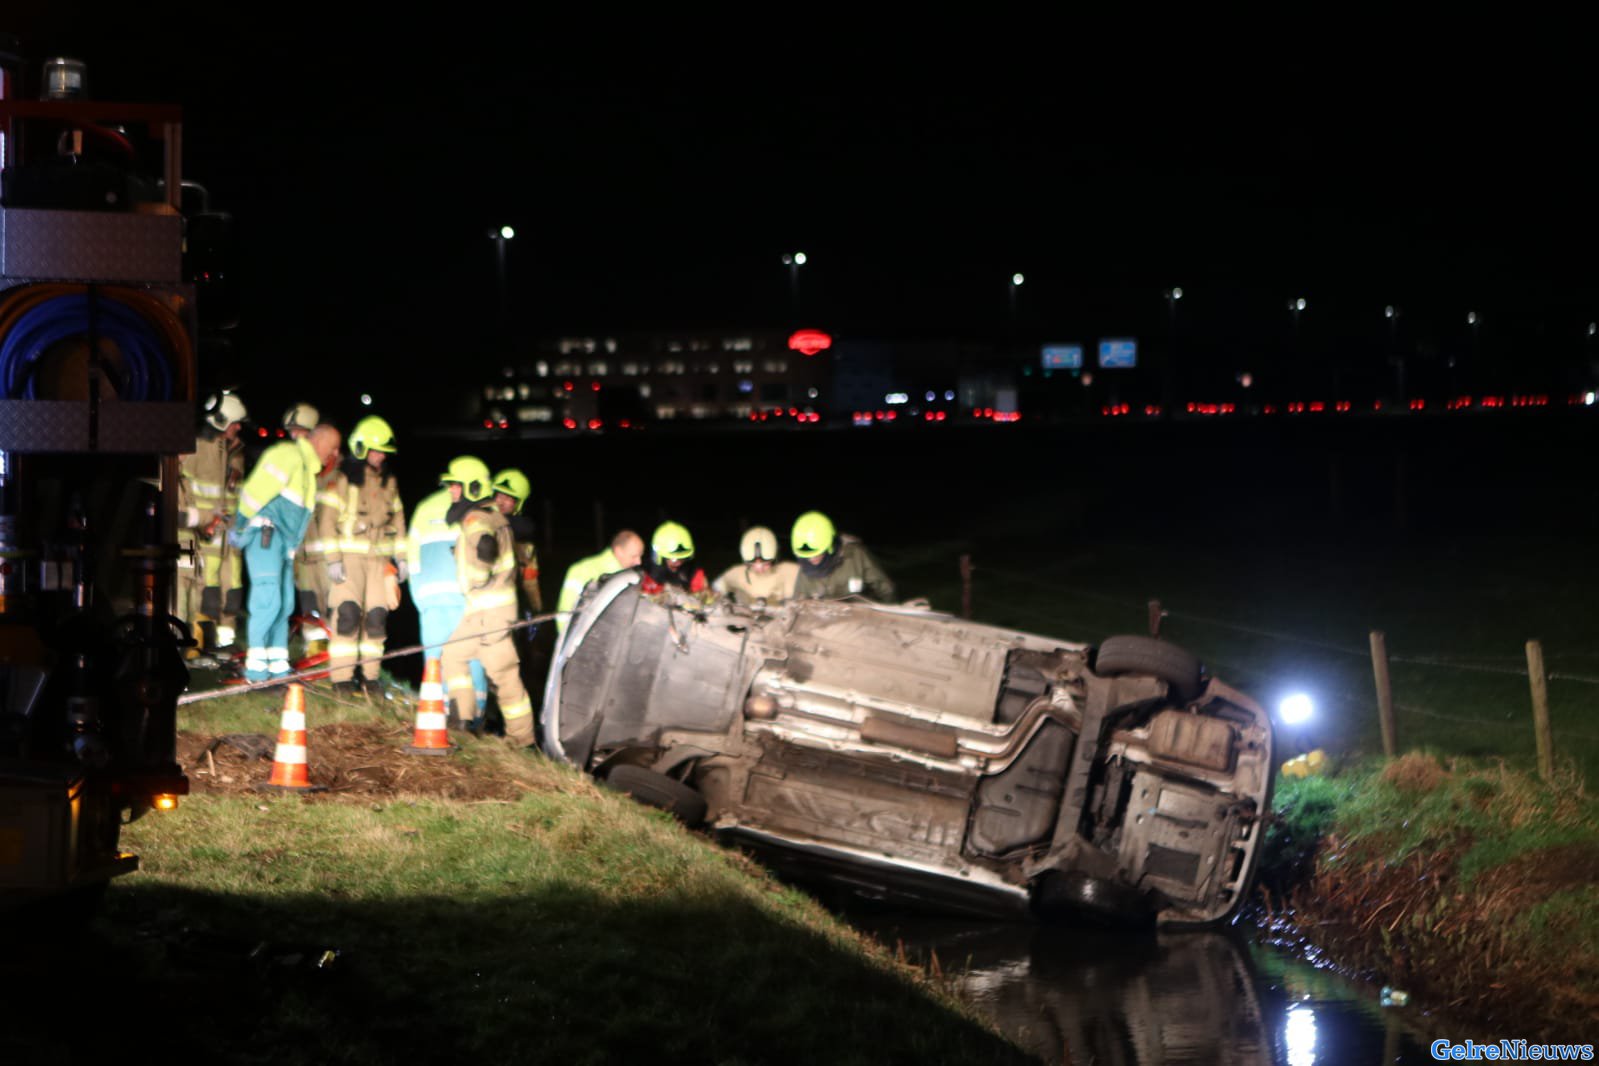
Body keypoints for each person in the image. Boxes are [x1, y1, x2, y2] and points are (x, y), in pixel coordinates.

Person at [231, 423, 341, 682]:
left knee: (284, 604)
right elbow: (254, 492)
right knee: (268, 601)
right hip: (266, 537)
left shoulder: (306, 469)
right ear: (320, 442)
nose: (335, 454)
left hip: (281, 545)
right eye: (333, 447)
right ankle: (257, 671)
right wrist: (240, 524)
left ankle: (278, 668)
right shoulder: (288, 456)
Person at [441, 477, 534, 745]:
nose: (451, 491)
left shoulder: (477, 518)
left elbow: (485, 547)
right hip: (485, 610)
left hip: (489, 612)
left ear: (471, 488)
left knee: (502, 675)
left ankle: (521, 739)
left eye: (456, 486)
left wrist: (479, 576)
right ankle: (462, 719)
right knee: (453, 655)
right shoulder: (492, 517)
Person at [319, 415, 406, 695]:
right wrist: (333, 560)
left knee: (377, 618)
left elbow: (399, 520)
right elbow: (327, 522)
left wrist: (402, 557)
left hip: (379, 561)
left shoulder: (389, 482)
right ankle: (342, 679)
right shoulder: (342, 480)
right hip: (349, 559)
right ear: (360, 449)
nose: (381, 456)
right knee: (348, 614)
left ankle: (371, 677)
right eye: (376, 451)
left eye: (384, 452)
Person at [408, 456, 491, 715]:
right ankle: (472, 714)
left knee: (436, 659)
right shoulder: (483, 513)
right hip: (466, 601)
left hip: (432, 603)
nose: (452, 490)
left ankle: (441, 713)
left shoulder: (424, 508)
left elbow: (412, 561)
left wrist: (420, 600)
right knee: (471, 659)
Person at [177, 390, 248, 658]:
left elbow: (234, 494)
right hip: (197, 534)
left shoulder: (232, 451)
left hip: (225, 536)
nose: (238, 428)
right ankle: (195, 645)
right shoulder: (196, 447)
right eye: (235, 423)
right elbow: (182, 488)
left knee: (228, 592)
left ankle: (221, 642)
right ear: (221, 420)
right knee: (198, 591)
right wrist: (203, 520)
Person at [790, 510, 896, 601]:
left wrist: (889, 610)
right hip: (825, 617)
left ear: (830, 545)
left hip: (860, 613)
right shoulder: (805, 570)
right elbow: (797, 603)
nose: (811, 558)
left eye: (816, 553)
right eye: (805, 555)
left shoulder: (855, 556)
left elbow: (885, 589)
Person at [556, 529, 644, 635]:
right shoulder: (581, 571)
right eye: (634, 556)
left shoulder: (632, 577)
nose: (639, 562)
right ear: (619, 552)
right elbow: (564, 616)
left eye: (640, 556)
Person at [713, 525, 799, 607]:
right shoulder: (738, 573)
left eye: (765, 563)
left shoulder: (789, 570)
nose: (759, 567)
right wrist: (715, 594)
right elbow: (718, 586)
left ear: (774, 558)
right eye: (753, 563)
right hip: (749, 615)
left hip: (783, 615)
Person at [640, 520, 707, 595]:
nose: (679, 563)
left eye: (683, 558)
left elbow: (700, 594)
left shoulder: (693, 571)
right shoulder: (652, 572)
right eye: (673, 559)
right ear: (660, 557)